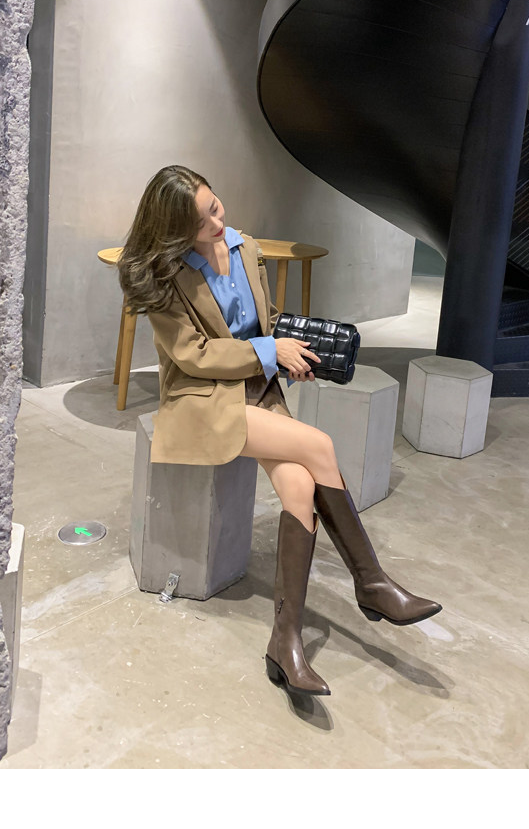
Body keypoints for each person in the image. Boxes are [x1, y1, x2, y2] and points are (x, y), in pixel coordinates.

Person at [118, 165, 442, 698]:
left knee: (299, 484)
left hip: (256, 388)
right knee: (320, 445)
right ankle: (372, 582)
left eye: (215, 207)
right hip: (200, 397)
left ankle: (284, 641)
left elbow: (264, 321)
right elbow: (193, 356)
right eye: (199, 223)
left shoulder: (247, 249)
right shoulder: (164, 273)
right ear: (174, 230)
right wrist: (269, 352)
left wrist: (288, 354)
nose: (216, 224)